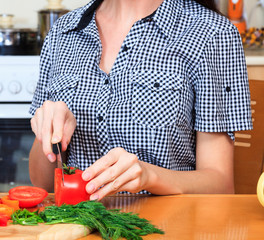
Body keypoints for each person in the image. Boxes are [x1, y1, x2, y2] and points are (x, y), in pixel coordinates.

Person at [29, 0, 253, 200]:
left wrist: (149, 176)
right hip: (76, 227)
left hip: (168, 229)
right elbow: (43, 185)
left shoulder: (212, 33)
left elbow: (220, 185)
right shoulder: (63, 31)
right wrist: (49, 138)